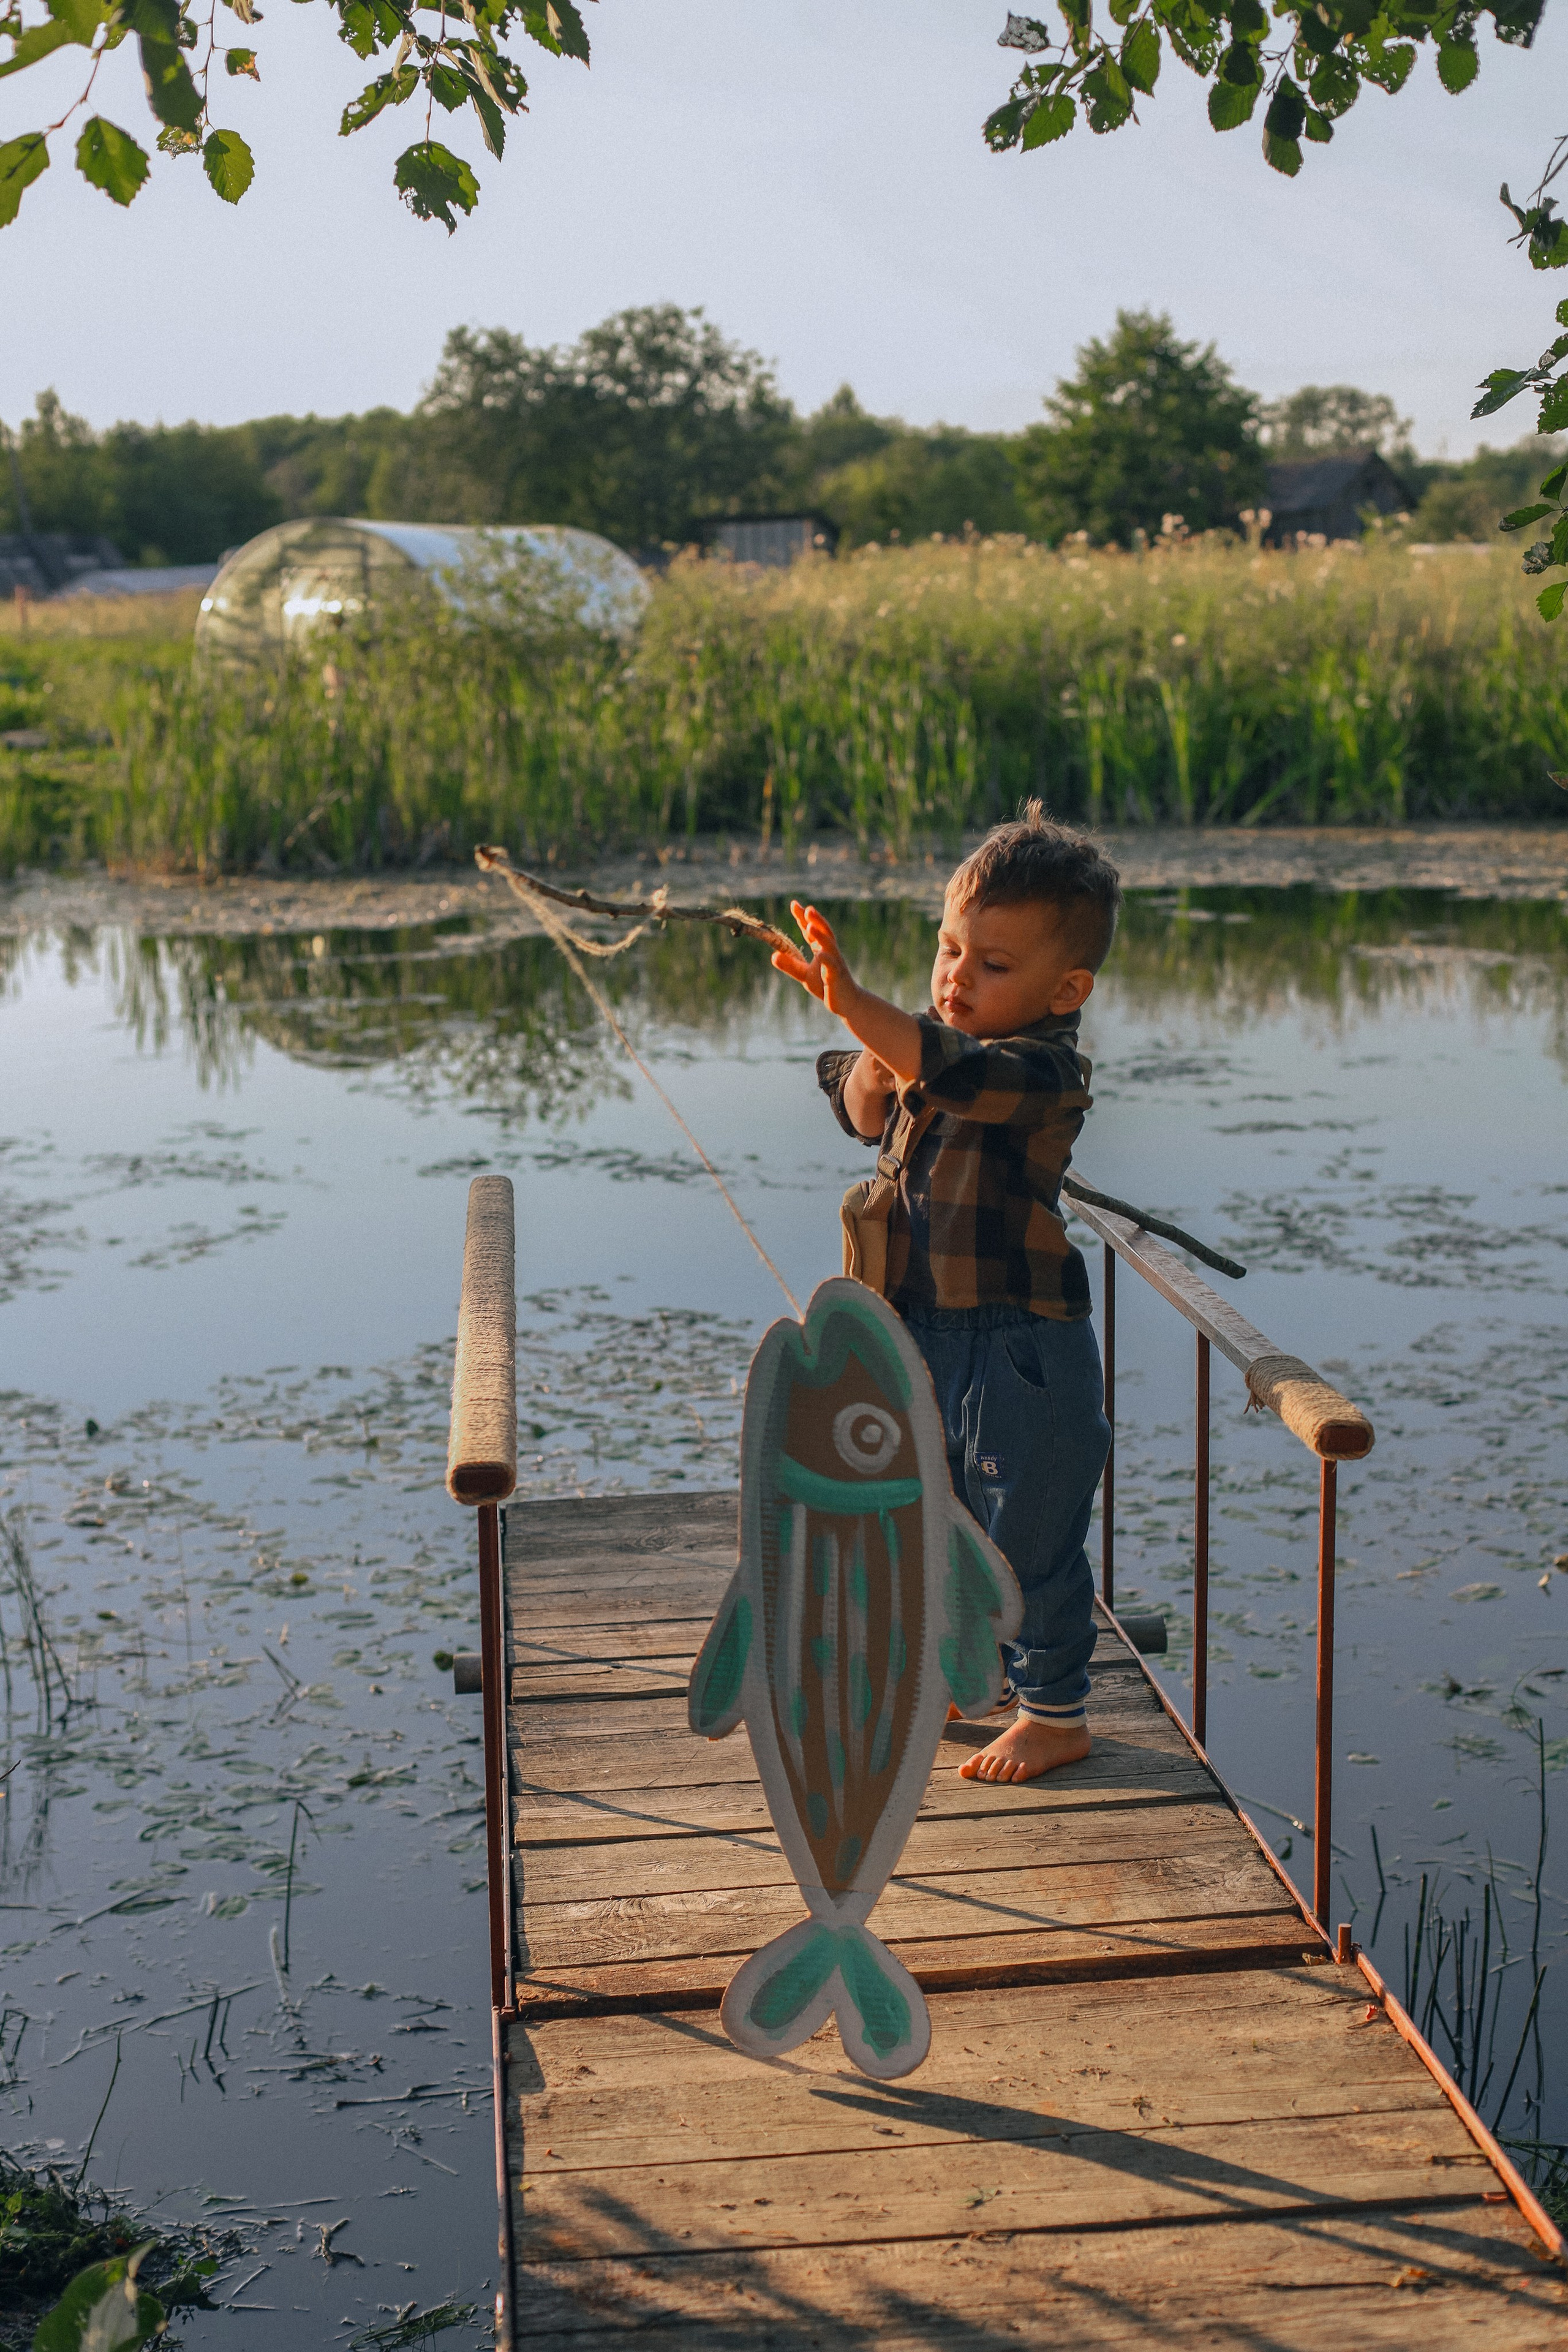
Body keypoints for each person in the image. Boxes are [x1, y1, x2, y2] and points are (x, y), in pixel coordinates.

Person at [771, 802, 1120, 1784]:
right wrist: (869, 1070)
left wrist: (863, 1012)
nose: (957, 976)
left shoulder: (1045, 1072)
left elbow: (956, 1074)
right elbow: (851, 1082)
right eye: (948, 949)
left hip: (1021, 1349)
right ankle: (984, 1678)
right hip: (921, 1331)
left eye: (992, 965)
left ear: (1067, 987)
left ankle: (1056, 1712)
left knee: (1028, 1531)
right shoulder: (929, 1047)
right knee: (939, 1513)